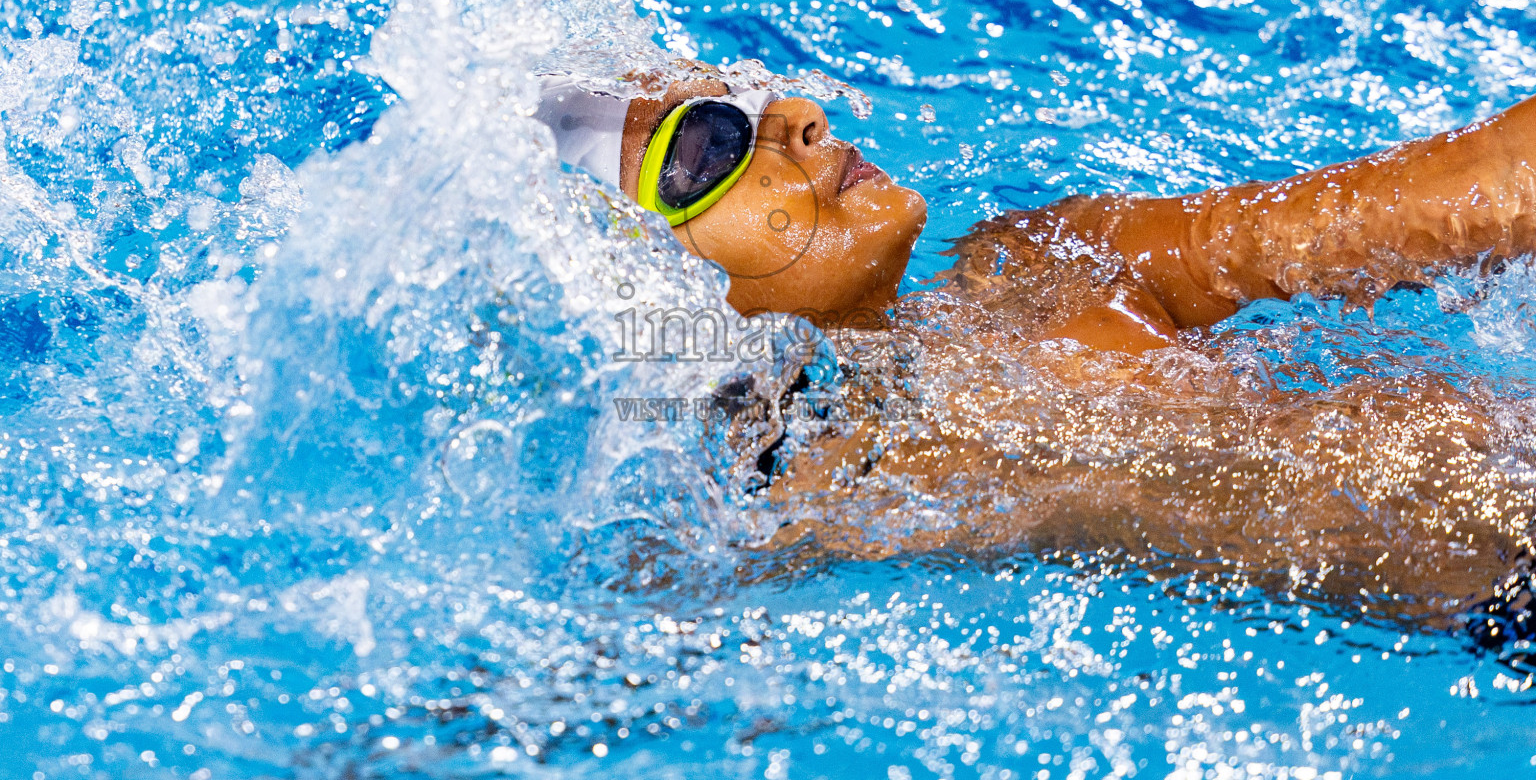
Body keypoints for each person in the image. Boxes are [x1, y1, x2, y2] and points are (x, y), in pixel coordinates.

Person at [535, 63, 1536, 639]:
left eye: (757, 99)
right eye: (710, 145)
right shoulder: (803, 502)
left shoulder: (1048, 264)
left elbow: (1474, 188)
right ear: (661, 274)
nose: (799, 116)